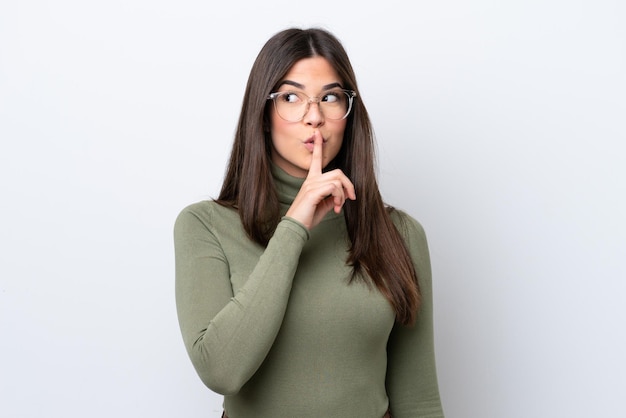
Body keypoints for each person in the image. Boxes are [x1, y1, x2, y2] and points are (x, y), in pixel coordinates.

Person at [174, 27, 445, 418]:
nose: (313, 117)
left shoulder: (399, 234)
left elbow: (419, 399)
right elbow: (221, 371)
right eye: (291, 97)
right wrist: (294, 225)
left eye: (330, 98)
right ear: (263, 114)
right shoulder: (204, 226)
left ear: (349, 114)